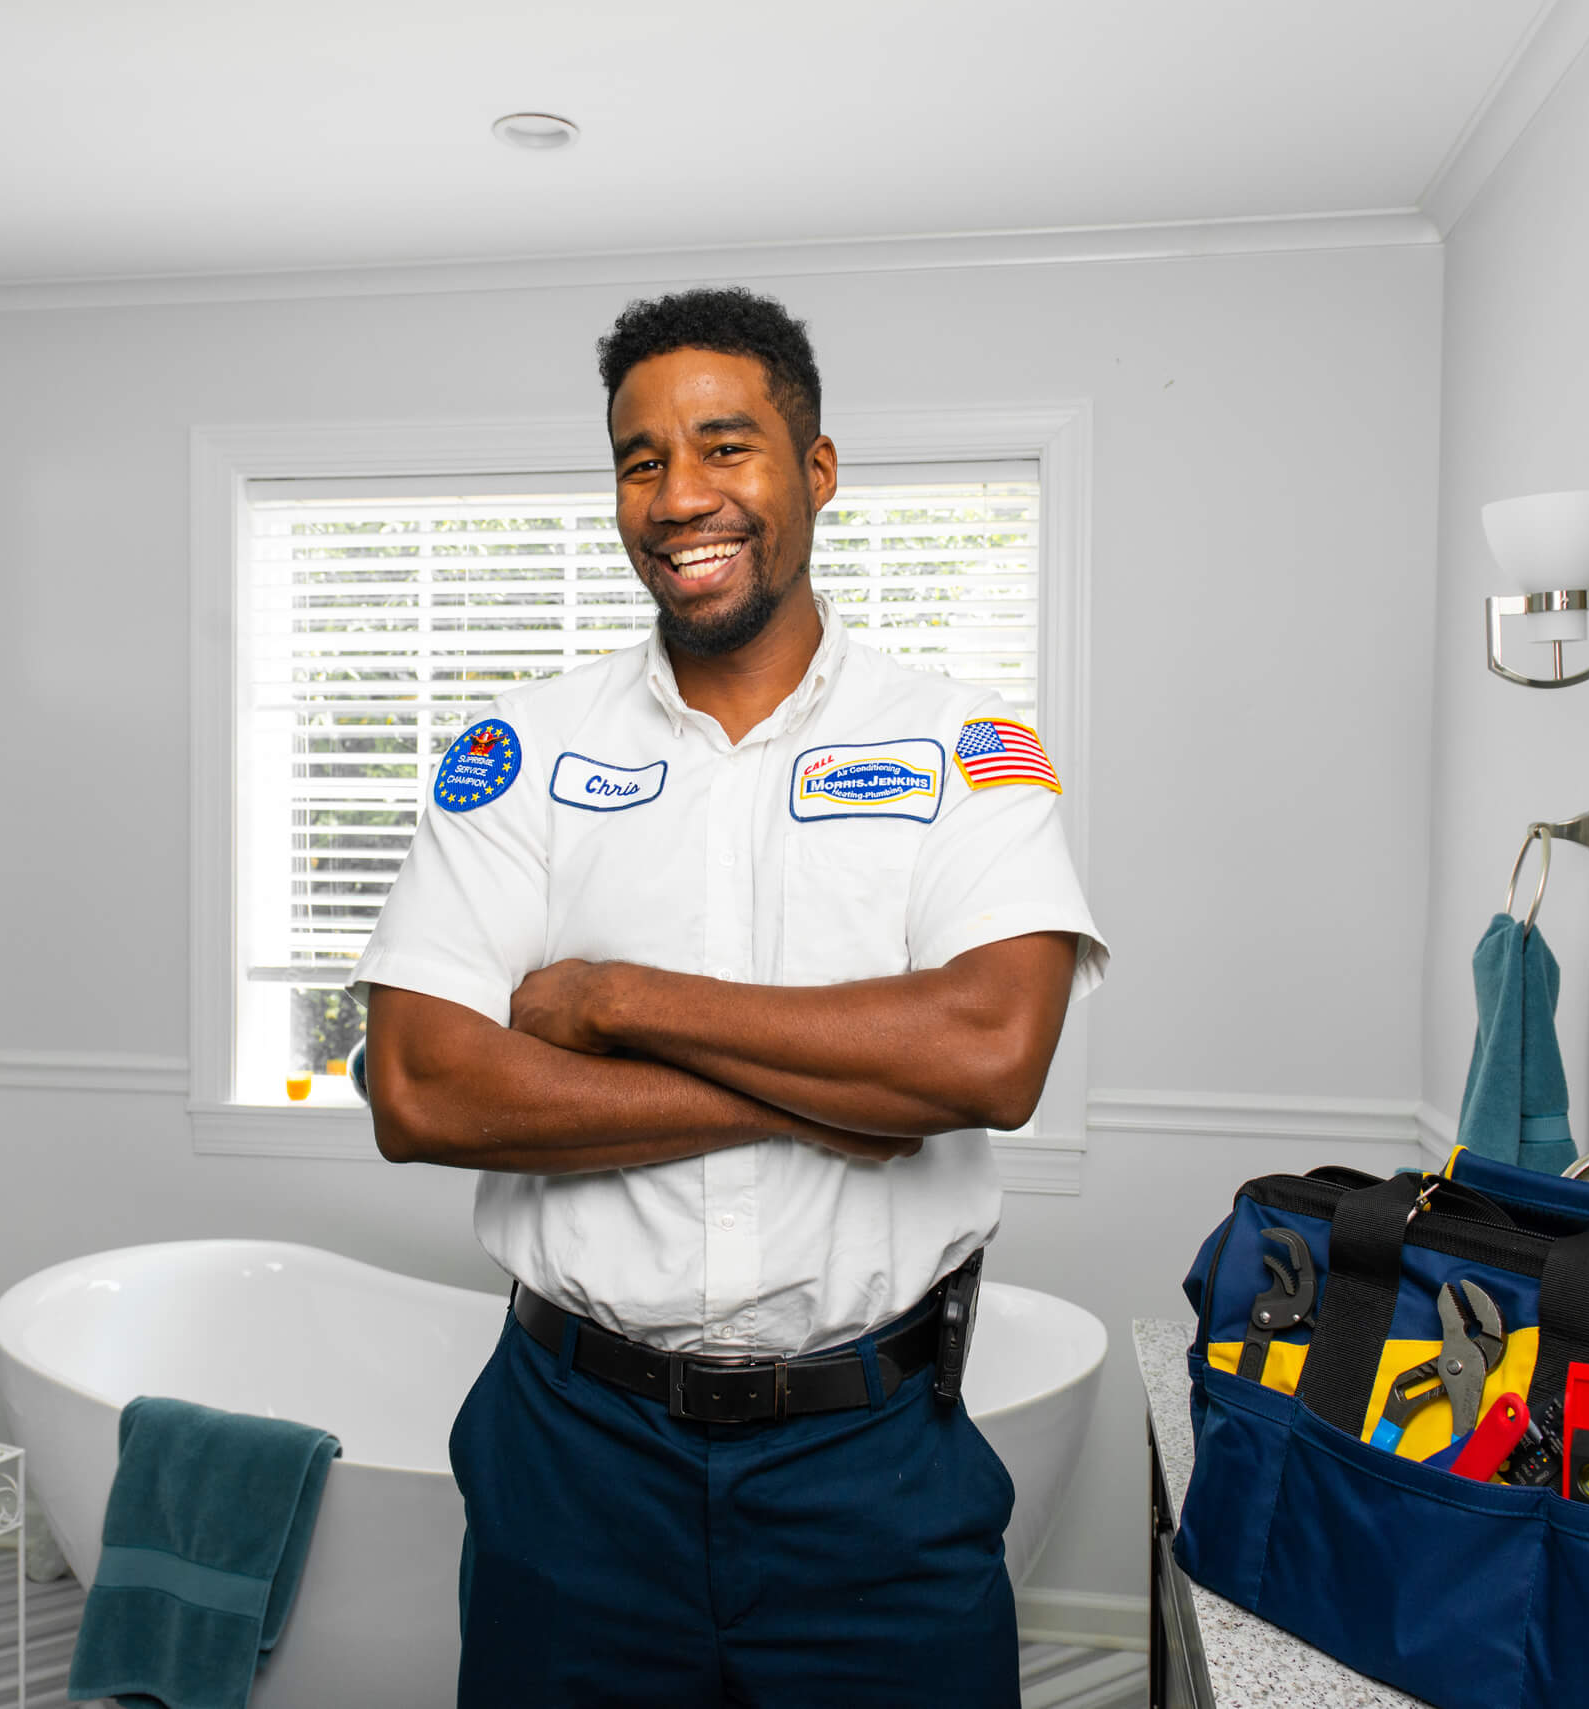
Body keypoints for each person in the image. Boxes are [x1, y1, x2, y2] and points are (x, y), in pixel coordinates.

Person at [353, 286, 1107, 1707]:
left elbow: (992, 1053)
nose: (680, 494)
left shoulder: (966, 747)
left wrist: (615, 997)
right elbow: (419, 1085)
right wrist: (831, 1094)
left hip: (871, 1467)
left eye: (725, 445)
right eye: (642, 460)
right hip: (573, 1460)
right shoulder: (518, 751)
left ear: (815, 470)